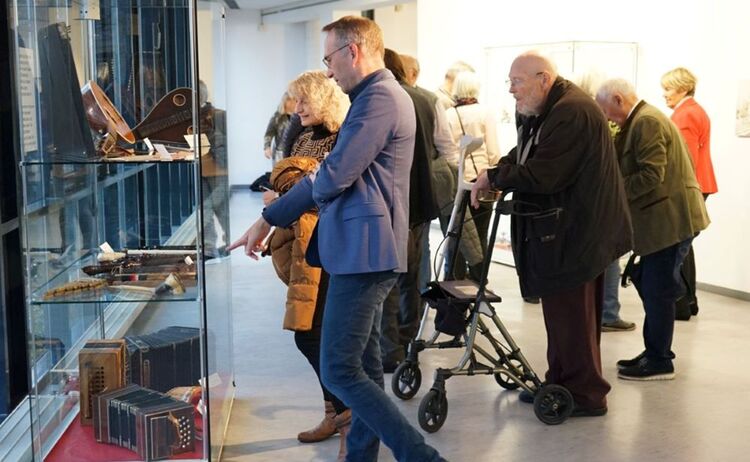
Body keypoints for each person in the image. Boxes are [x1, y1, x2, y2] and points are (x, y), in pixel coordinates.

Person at [228, 16, 444, 462]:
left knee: (340, 369)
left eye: (329, 58)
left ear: (354, 51)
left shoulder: (379, 98)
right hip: (359, 249)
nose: (328, 70)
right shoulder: (374, 97)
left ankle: (420, 456)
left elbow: (333, 176)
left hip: (364, 254)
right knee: (361, 367)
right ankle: (360, 456)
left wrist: (268, 217)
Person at [471, 52, 632, 416]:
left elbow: (545, 174)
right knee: (561, 316)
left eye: (517, 81)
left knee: (574, 318)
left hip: (579, 234)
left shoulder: (571, 111)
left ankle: (586, 394)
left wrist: (495, 178)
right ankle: (561, 382)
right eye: (510, 82)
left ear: (544, 79)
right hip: (567, 231)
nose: (511, 90)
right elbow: (527, 153)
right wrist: (498, 169)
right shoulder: (548, 108)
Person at [261, 71, 351, 458]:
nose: (296, 109)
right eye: (295, 101)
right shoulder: (300, 133)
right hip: (303, 245)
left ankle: (348, 419)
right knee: (312, 333)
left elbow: (331, 190)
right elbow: (284, 181)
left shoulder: (343, 135)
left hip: (334, 245)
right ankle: (333, 413)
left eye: (304, 102)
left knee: (313, 335)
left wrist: (290, 194)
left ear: (325, 100)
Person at [595, 78, 709, 381]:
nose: (606, 118)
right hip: (664, 220)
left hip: (671, 220)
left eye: (606, 110)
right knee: (652, 283)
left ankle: (660, 360)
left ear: (618, 99)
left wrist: (612, 192)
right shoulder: (640, 120)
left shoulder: (646, 122)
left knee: (657, 288)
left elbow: (651, 175)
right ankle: (655, 351)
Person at [379, 49, 440, 372]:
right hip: (420, 199)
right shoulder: (427, 99)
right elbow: (444, 147)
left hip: (392, 201)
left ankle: (390, 350)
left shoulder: (381, 100)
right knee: (412, 276)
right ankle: (408, 339)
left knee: (389, 277)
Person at [661, 67, 717, 319]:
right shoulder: (694, 111)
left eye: (668, 89)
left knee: (677, 245)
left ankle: (681, 302)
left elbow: (686, 159)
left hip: (689, 186)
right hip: (700, 183)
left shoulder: (685, 115)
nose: (664, 94)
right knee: (683, 245)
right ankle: (687, 301)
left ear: (683, 88)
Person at [445, 70, 500, 255]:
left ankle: (453, 278)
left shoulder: (448, 115)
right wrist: (494, 177)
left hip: (457, 182)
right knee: (481, 234)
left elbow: (448, 152)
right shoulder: (485, 113)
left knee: (457, 236)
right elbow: (493, 151)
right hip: (481, 181)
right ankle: (479, 278)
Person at [198, 80, 230, 256]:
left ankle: (216, 246)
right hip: (200, 171)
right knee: (206, 209)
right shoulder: (188, 118)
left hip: (220, 172)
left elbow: (229, 144)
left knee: (212, 208)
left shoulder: (218, 116)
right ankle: (209, 247)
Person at [263, 92, 295, 165]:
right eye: (289, 99)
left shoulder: (299, 116)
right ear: (284, 101)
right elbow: (269, 133)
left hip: (295, 151)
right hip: (280, 152)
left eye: (294, 99)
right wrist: (267, 147)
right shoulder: (277, 117)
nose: (292, 102)